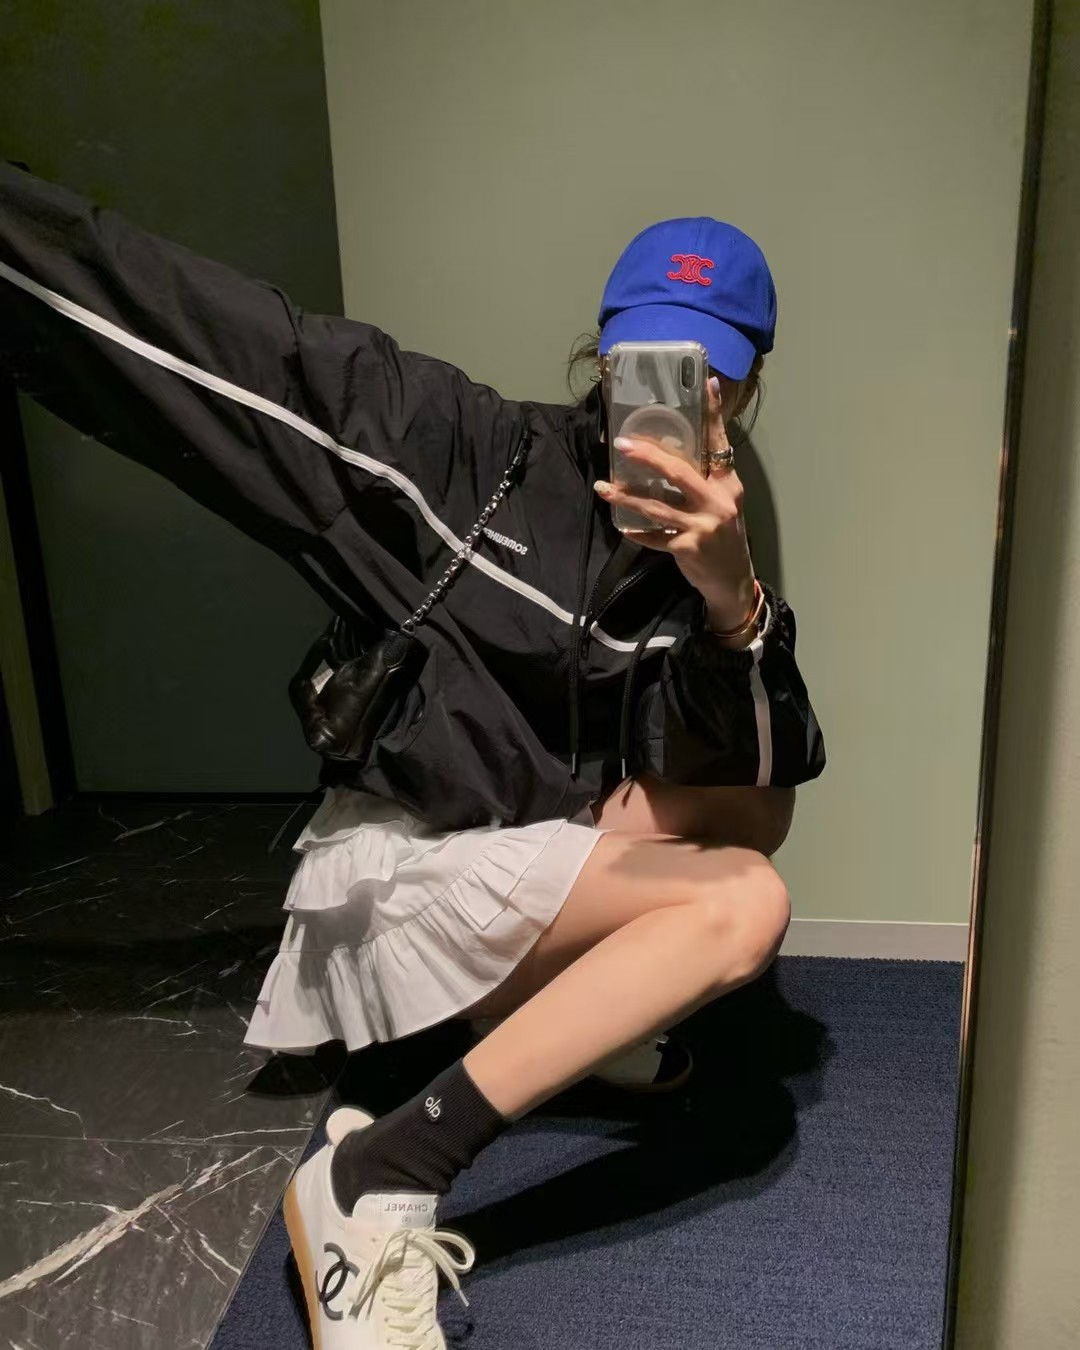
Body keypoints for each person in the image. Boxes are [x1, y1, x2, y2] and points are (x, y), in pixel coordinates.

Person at [0, 165, 824, 1348]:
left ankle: (545, 1009)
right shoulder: (462, 450)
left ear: (744, 387)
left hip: (526, 856)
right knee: (743, 905)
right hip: (400, 872)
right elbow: (205, 333)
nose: (669, 401)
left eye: (709, 376)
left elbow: (758, 772)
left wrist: (734, 601)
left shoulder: (706, 550)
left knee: (754, 816)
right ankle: (377, 1174)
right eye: (644, 363)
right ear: (601, 354)